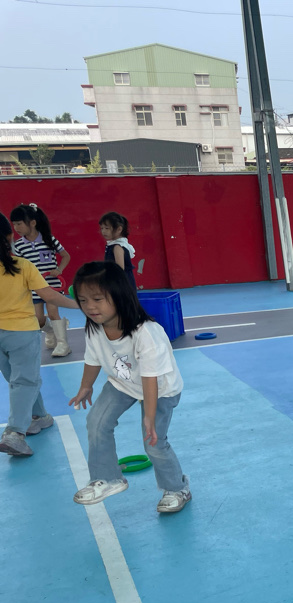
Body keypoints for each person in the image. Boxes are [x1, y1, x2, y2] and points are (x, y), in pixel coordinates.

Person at [68, 262, 191, 514]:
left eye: (97, 299)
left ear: (119, 295)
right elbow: (93, 359)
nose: (89, 306)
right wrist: (85, 387)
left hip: (160, 389)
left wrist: (149, 416)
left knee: (153, 442)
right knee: (96, 422)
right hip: (123, 383)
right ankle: (108, 478)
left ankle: (177, 488)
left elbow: (150, 378)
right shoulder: (94, 329)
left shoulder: (146, 333)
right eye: (83, 300)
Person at [0, 213, 80, 457]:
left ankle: (39, 416)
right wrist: (82, 305)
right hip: (21, 332)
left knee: (19, 379)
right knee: (25, 381)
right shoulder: (22, 265)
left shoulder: (27, 260)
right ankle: (14, 433)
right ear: (9, 236)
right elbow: (50, 295)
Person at [10, 203, 73, 357]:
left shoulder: (49, 239)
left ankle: (63, 345)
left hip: (52, 285)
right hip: (34, 288)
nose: (16, 228)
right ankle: (51, 330)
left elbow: (66, 256)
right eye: (14, 224)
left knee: (52, 312)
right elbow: (19, 266)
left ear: (32, 223)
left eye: (19, 224)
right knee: (38, 320)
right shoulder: (18, 246)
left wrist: (59, 270)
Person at [99, 211, 137, 291]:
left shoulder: (117, 247)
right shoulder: (113, 245)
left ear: (119, 229)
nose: (103, 231)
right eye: (102, 228)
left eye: (107, 228)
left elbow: (119, 269)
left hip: (123, 286)